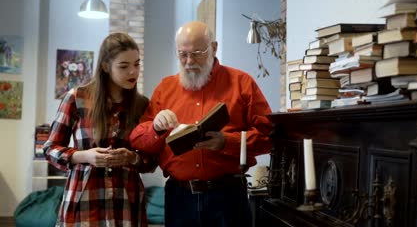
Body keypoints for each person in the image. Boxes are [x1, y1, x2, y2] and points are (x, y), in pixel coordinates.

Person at [130, 21, 273, 227]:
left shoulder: (242, 83)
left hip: (228, 196)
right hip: (179, 197)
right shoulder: (165, 88)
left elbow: (269, 136)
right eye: (182, 54)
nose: (189, 61)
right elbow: (137, 139)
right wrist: (155, 128)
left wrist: (227, 142)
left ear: (214, 48)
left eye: (197, 53)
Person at [43, 32, 156, 226]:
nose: (133, 72)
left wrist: (131, 157)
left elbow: (151, 160)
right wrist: (84, 156)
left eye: (137, 64)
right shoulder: (76, 98)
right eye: (124, 66)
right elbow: (50, 148)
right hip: (85, 200)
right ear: (105, 66)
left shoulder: (142, 105)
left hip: (126, 203)